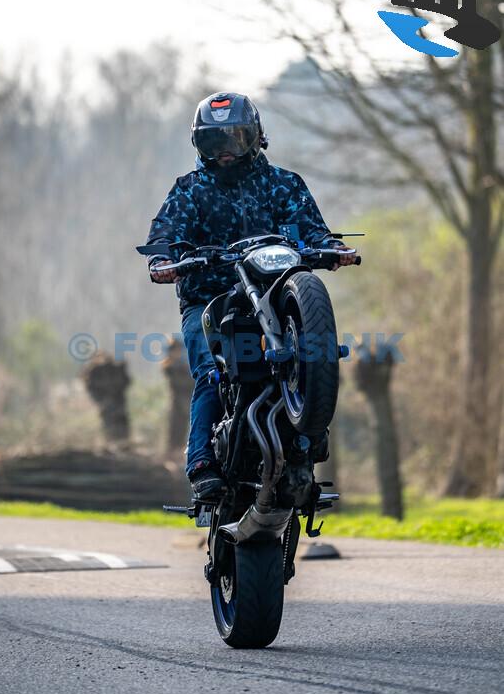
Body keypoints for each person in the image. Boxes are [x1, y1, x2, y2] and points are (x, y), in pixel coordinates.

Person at [145, 91, 358, 501]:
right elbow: (165, 235)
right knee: (211, 371)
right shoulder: (189, 191)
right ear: (199, 145)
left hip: (275, 297)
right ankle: (201, 463)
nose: (225, 151)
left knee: (316, 354)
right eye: (213, 142)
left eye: (235, 139)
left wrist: (332, 248)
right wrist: (163, 259)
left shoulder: (284, 185)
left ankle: (305, 444)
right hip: (210, 299)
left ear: (257, 138)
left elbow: (312, 229)